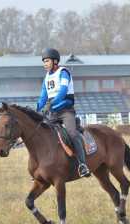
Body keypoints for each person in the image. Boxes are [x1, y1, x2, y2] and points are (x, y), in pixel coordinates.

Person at [36, 48, 91, 177]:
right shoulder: (47, 77)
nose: (44, 64)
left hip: (66, 111)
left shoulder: (63, 72)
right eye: (43, 61)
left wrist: (51, 104)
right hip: (53, 113)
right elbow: (43, 96)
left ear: (55, 61)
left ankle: (83, 165)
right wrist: (37, 108)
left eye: (47, 61)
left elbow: (62, 91)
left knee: (72, 134)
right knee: (42, 134)